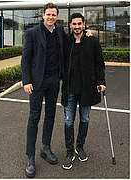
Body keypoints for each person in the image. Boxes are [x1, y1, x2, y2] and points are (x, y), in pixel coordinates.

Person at [21, 3, 66, 178]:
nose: (51, 17)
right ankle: (30, 157)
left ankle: (45, 148)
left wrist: (87, 34)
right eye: (48, 14)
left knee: (50, 115)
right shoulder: (32, 33)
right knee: (34, 117)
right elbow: (25, 60)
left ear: (56, 16)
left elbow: (71, 42)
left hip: (54, 80)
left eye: (54, 15)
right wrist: (26, 81)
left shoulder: (60, 31)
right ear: (43, 15)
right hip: (37, 82)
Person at [61, 13, 106, 170]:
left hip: (87, 89)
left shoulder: (92, 41)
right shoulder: (66, 42)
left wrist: (101, 81)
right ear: (70, 25)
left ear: (84, 24)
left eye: (80, 23)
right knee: (68, 121)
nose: (77, 26)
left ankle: (80, 147)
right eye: (74, 24)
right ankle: (69, 151)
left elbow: (99, 63)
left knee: (85, 119)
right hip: (70, 89)